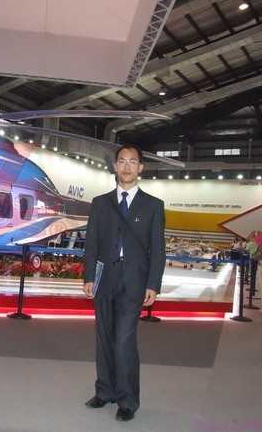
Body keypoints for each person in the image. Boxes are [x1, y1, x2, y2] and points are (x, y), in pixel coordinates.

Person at [83, 144, 166, 422]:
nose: (127, 166)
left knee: (123, 341)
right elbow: (91, 243)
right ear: (115, 166)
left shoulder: (153, 205)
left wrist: (153, 284)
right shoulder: (100, 203)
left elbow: (158, 249)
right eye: (122, 161)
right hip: (104, 280)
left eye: (132, 161)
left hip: (134, 282)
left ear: (141, 167)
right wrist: (89, 277)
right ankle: (104, 391)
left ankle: (128, 400)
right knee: (104, 338)